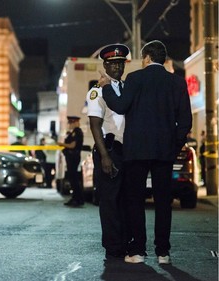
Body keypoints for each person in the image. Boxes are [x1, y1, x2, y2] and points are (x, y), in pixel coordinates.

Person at [99, 40, 192, 264]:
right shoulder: (177, 83)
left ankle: (138, 251)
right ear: (164, 59)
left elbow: (120, 106)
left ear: (147, 58)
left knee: (135, 201)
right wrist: (174, 145)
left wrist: (104, 87)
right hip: (164, 152)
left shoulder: (135, 79)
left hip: (136, 151)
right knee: (163, 202)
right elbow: (185, 121)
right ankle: (163, 253)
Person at [86, 43, 129, 260]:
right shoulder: (96, 92)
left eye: (120, 63)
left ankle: (124, 241)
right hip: (109, 150)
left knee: (125, 200)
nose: (117, 68)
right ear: (105, 65)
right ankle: (113, 247)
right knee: (110, 201)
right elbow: (95, 125)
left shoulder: (127, 89)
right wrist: (104, 156)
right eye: (112, 64)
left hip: (127, 152)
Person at [57, 116, 84, 207]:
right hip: (71, 157)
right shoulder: (72, 132)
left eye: (71, 122)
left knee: (74, 179)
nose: (69, 124)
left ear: (75, 122)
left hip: (73, 157)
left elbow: (72, 145)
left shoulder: (77, 131)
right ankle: (76, 198)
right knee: (72, 178)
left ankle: (77, 199)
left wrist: (61, 144)